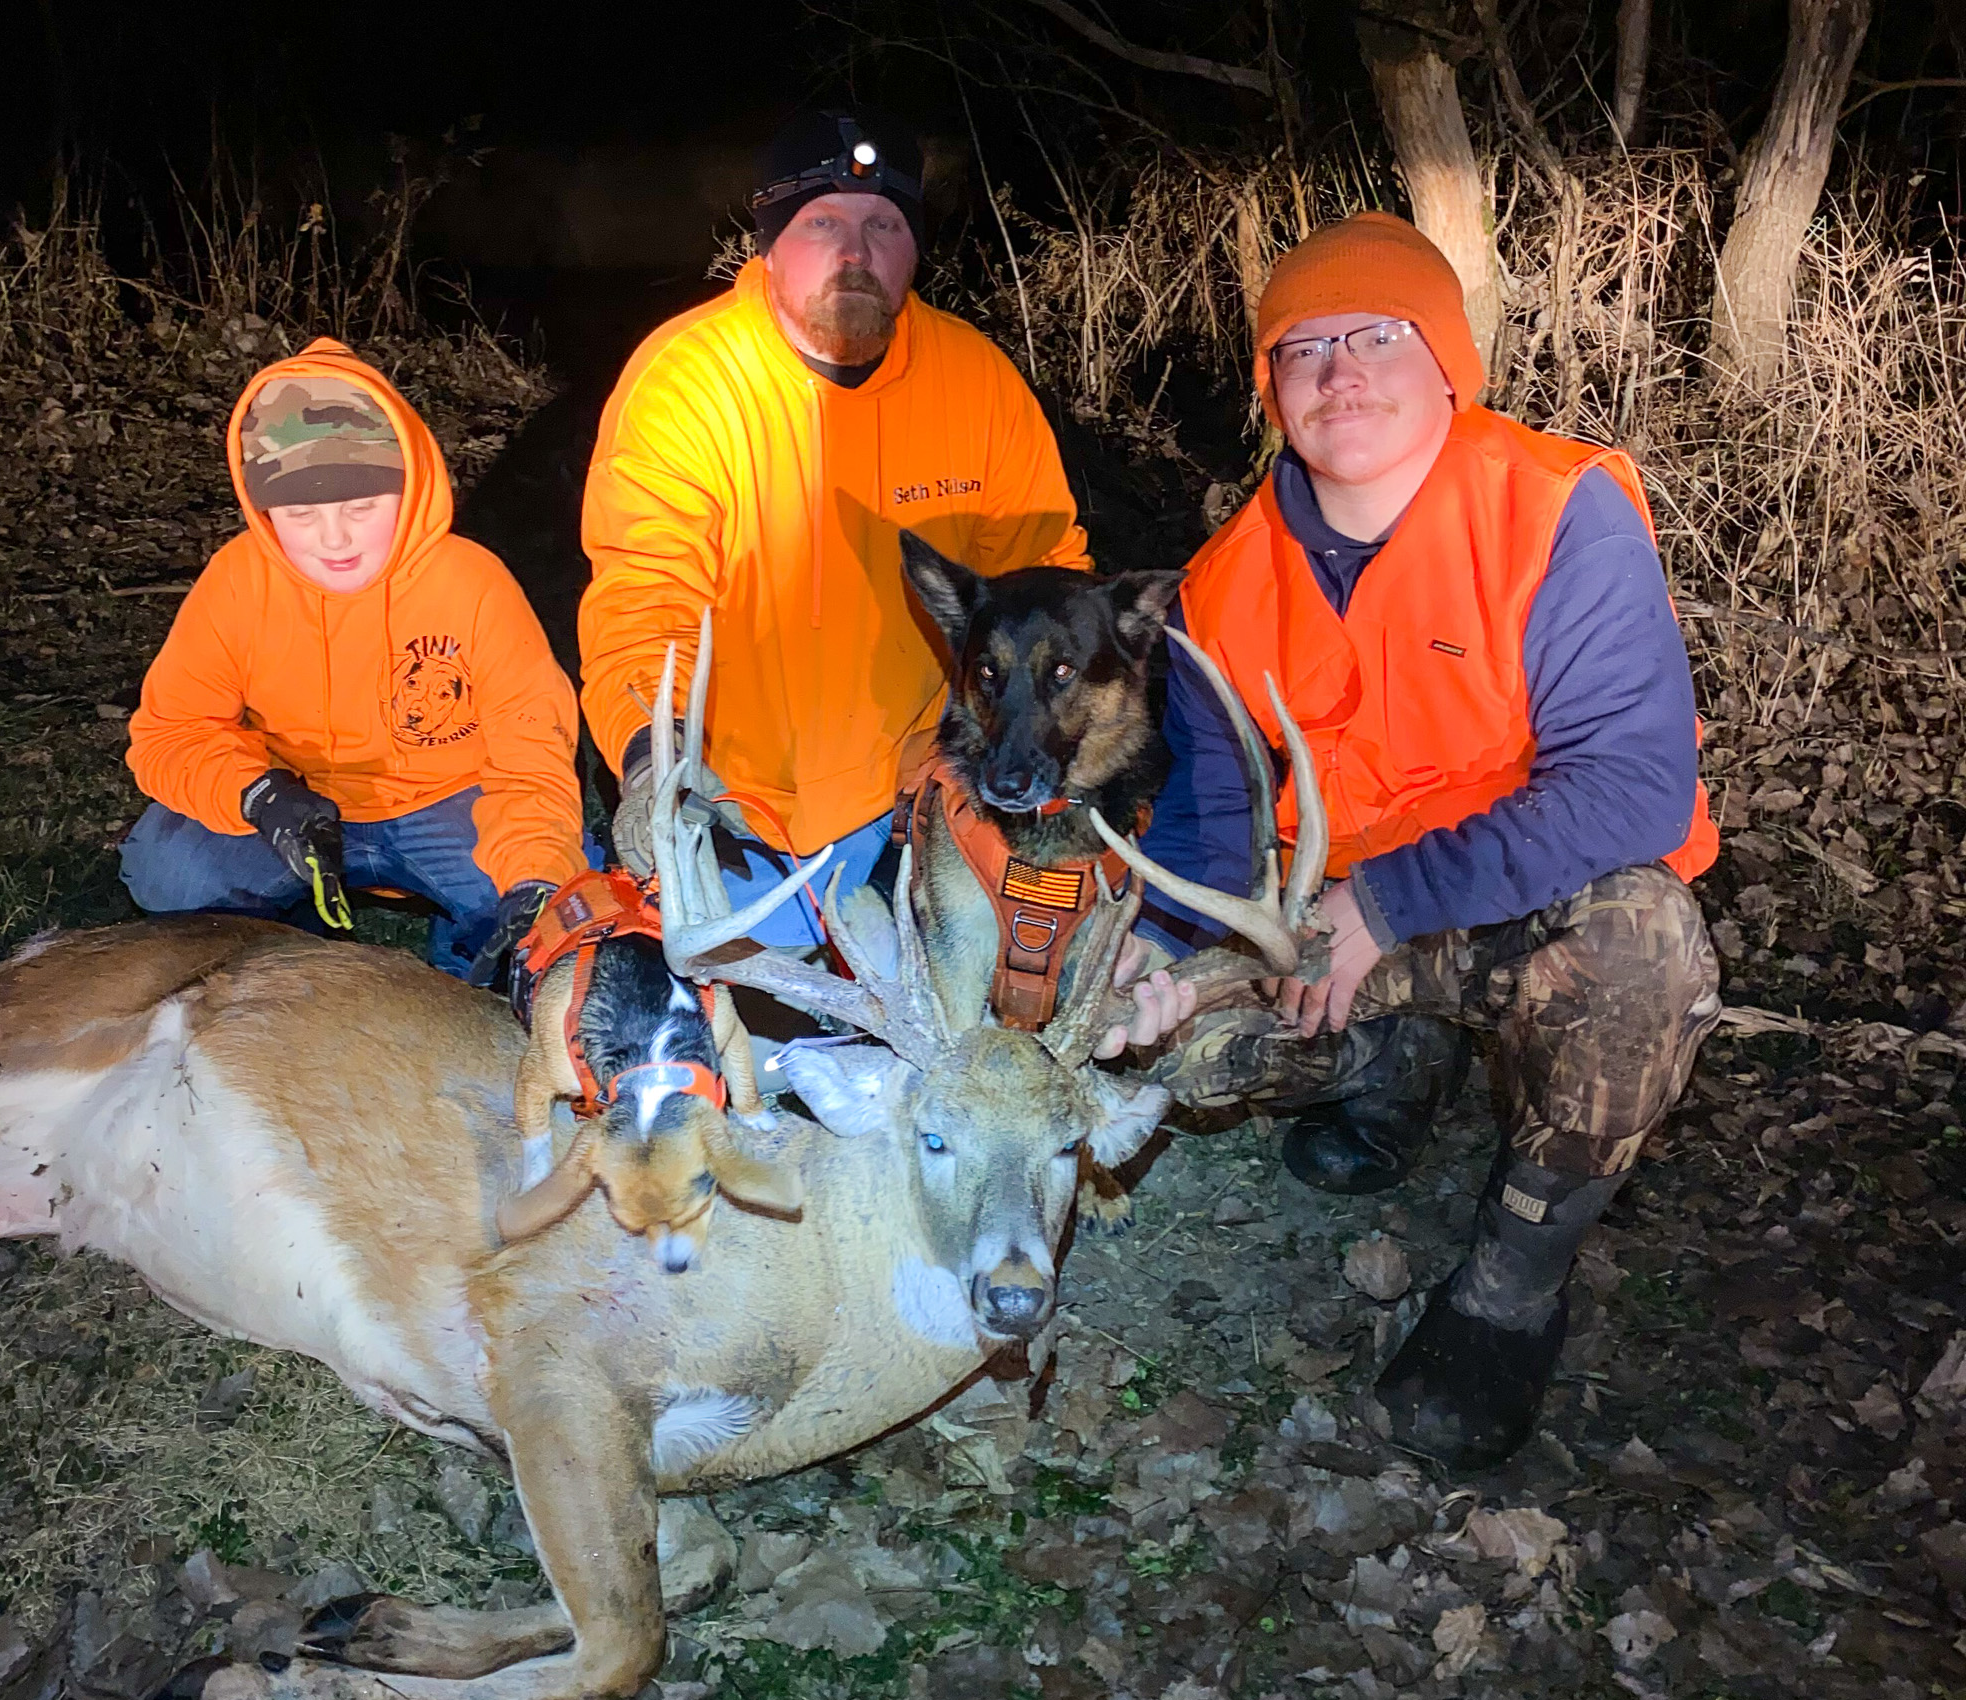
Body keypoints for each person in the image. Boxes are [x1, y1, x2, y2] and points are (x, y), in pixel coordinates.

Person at [1110, 213, 1722, 1468]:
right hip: (1342, 918)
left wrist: (1383, 904)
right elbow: (1218, 819)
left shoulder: (1556, 509)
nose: (1339, 374)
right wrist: (1164, 950)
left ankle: (1511, 1284)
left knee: (1643, 956)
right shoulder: (1222, 582)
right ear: (1271, 387)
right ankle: (1387, 1064)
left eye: (1376, 336)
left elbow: (1634, 788)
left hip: (1526, 894)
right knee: (1192, 1046)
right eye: (1303, 347)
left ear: (1445, 360)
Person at [578, 107, 1088, 945]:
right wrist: (655, 764)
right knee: (723, 1042)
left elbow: (1049, 587)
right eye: (822, 223)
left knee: (1014, 1008)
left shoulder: (977, 382)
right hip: (736, 806)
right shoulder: (687, 384)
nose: (856, 254)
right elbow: (644, 595)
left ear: (916, 250)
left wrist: (1007, 740)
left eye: (885, 225)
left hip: (925, 793)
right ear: (768, 241)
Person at [122, 338, 585, 984]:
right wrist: (256, 793)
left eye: (362, 508)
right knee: (166, 869)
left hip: (446, 803)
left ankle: (468, 964)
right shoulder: (237, 583)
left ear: (409, 488)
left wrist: (535, 872)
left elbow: (532, 749)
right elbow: (168, 732)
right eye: (302, 513)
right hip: (298, 804)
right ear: (264, 510)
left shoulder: (473, 584)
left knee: (550, 888)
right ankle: (278, 944)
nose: (334, 538)